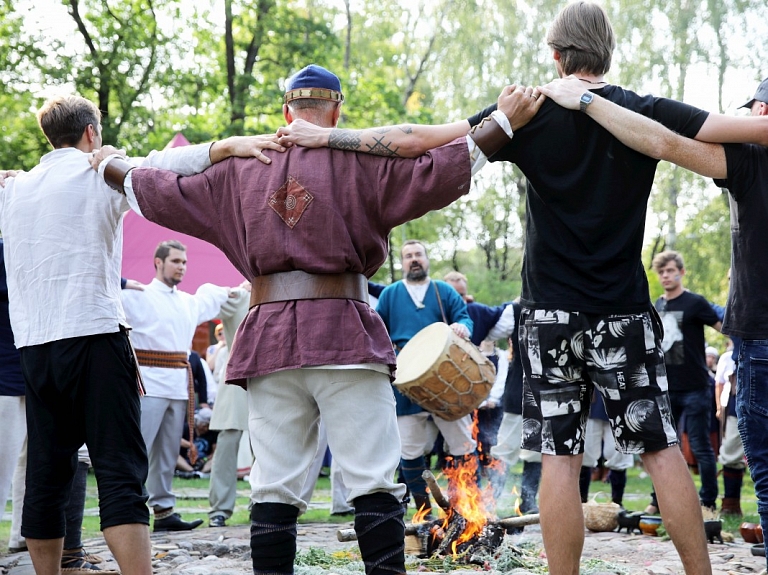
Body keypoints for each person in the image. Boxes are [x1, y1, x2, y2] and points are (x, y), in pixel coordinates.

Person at [92, 64, 542, 575]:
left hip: (269, 343)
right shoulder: (360, 159)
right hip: (344, 335)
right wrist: (503, 124)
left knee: (273, 484)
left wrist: (109, 165)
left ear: (286, 111)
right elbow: (439, 170)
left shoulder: (236, 170)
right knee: (373, 479)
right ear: (336, 110)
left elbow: (155, 189)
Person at [0, 95, 281, 575]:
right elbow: (166, 165)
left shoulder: (15, 189)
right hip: (94, 337)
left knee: (47, 471)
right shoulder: (99, 172)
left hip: (36, 348)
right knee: (119, 470)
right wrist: (230, 145)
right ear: (92, 133)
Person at [536, 72, 768, 564]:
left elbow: (664, 142)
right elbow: (661, 140)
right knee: (663, 451)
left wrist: (581, 100)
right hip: (625, 314)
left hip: (553, 311)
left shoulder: (749, 161)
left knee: (560, 459)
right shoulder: (657, 113)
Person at [121, 239, 238, 532]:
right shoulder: (138, 294)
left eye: (184, 262)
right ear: (158, 262)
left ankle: (163, 512)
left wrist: (239, 289)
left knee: (167, 452)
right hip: (147, 385)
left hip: (177, 386)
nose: (181, 267)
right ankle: (126, 510)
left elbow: (215, 295)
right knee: (138, 450)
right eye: (175, 261)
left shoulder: (187, 301)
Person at [375, 240, 476, 515]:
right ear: (402, 262)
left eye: (418, 254)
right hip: (406, 380)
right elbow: (377, 331)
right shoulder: (390, 294)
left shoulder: (443, 291)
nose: (414, 259)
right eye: (408, 256)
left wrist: (461, 327)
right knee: (409, 449)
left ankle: (463, 509)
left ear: (427, 258)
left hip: (444, 376)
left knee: (462, 442)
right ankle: (424, 513)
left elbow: (466, 319)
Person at [644, 251, 721, 514]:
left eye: (670, 270)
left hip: (696, 387)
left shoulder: (695, 302)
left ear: (681, 272)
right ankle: (658, 501)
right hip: (665, 388)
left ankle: (708, 502)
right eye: (661, 271)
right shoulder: (658, 305)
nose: (665, 275)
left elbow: (723, 325)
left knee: (699, 445)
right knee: (663, 447)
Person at [208, 284, 251, 527]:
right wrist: (233, 288)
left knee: (268, 443)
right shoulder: (241, 296)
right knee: (227, 442)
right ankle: (220, 509)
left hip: (273, 379)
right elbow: (209, 297)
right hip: (237, 378)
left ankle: (264, 504)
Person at [714, 339, 746, 516]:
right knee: (730, 452)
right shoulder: (727, 358)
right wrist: (719, 406)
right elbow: (720, 384)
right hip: (737, 405)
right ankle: (731, 505)